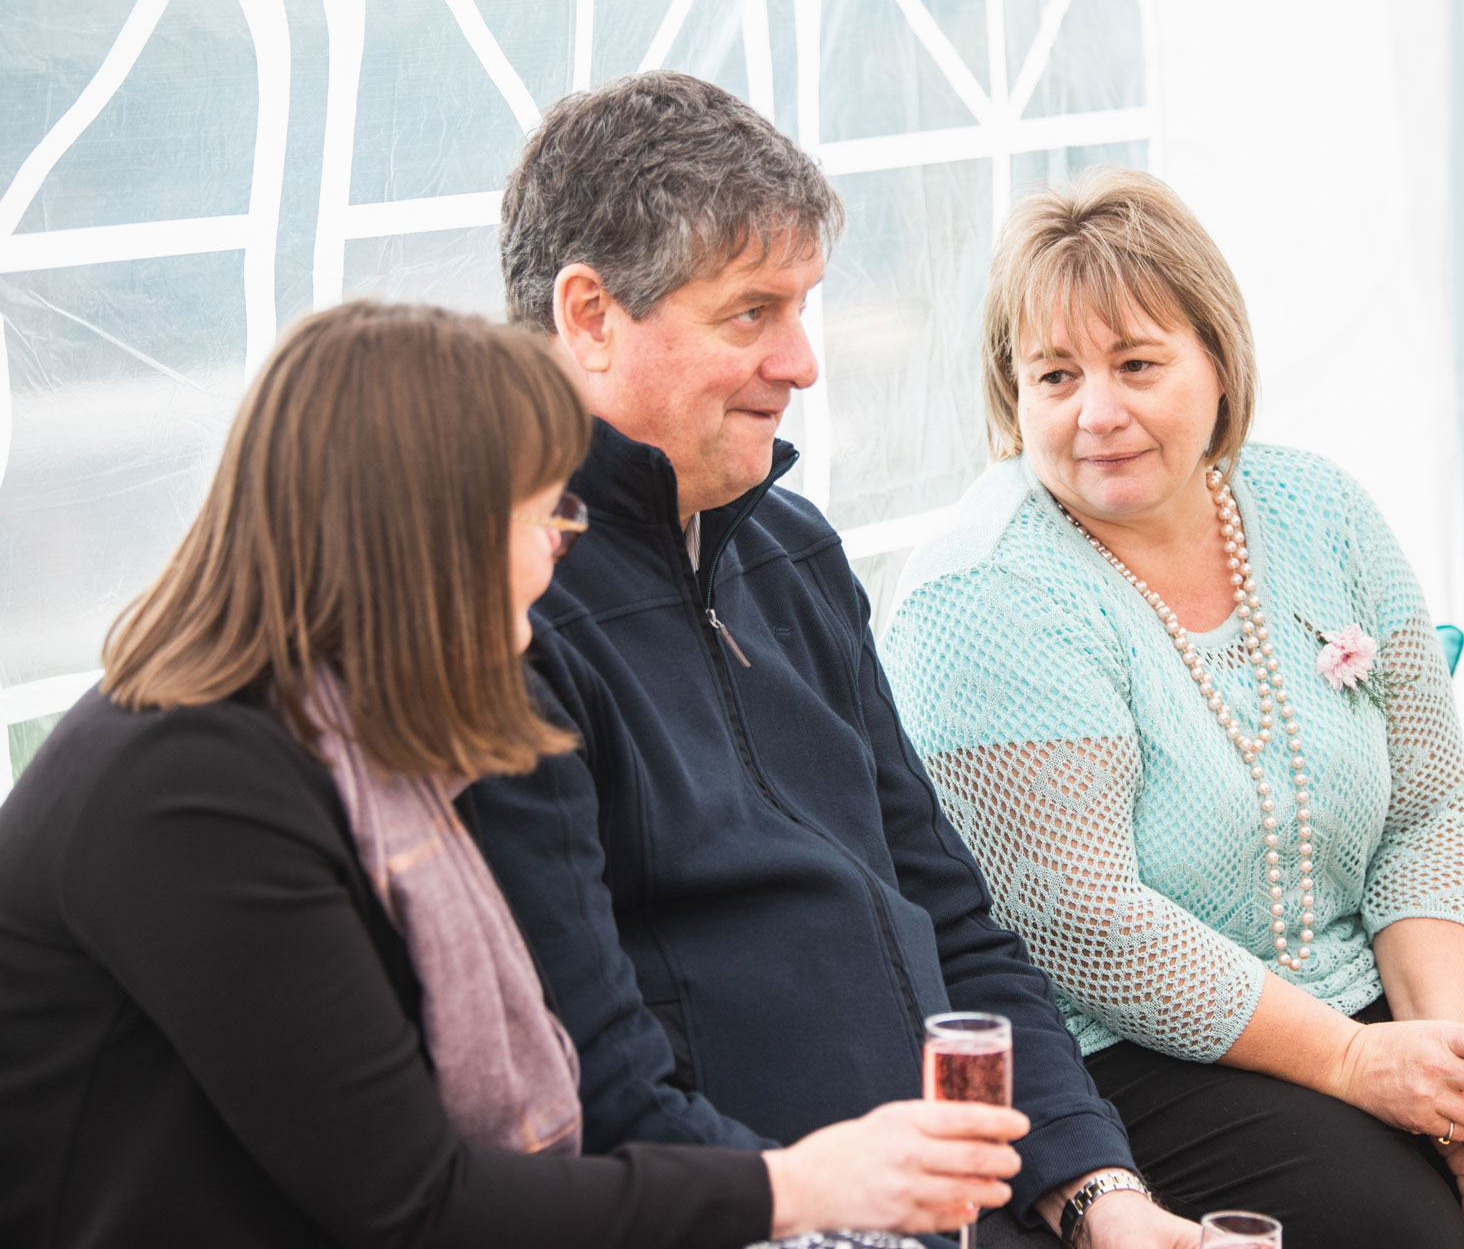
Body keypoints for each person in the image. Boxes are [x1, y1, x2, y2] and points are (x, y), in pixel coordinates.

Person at [0, 301, 1029, 1249]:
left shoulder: (338, 746)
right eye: (542, 516)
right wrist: (792, 1187)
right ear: (425, 534)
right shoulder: (193, 791)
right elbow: (415, 1201)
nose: (554, 558)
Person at [880, 169, 1464, 1247]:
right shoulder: (982, 594)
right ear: (1009, 392)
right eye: (1054, 375)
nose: (1096, 411)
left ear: (1218, 360)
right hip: (1127, 1054)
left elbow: (1425, 808)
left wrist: (1455, 1074)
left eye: (1135, 364)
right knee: (1403, 1233)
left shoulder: (1321, 513)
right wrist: (1360, 1064)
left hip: (1373, 1005)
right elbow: (1089, 929)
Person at [471, 72, 1195, 1249]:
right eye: (750, 314)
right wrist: (822, 1205)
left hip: (955, 1205)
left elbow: (956, 922)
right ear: (590, 316)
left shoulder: (791, 552)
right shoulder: (512, 616)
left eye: (803, 306)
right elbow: (593, 1082)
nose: (802, 363)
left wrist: (1097, 1189)